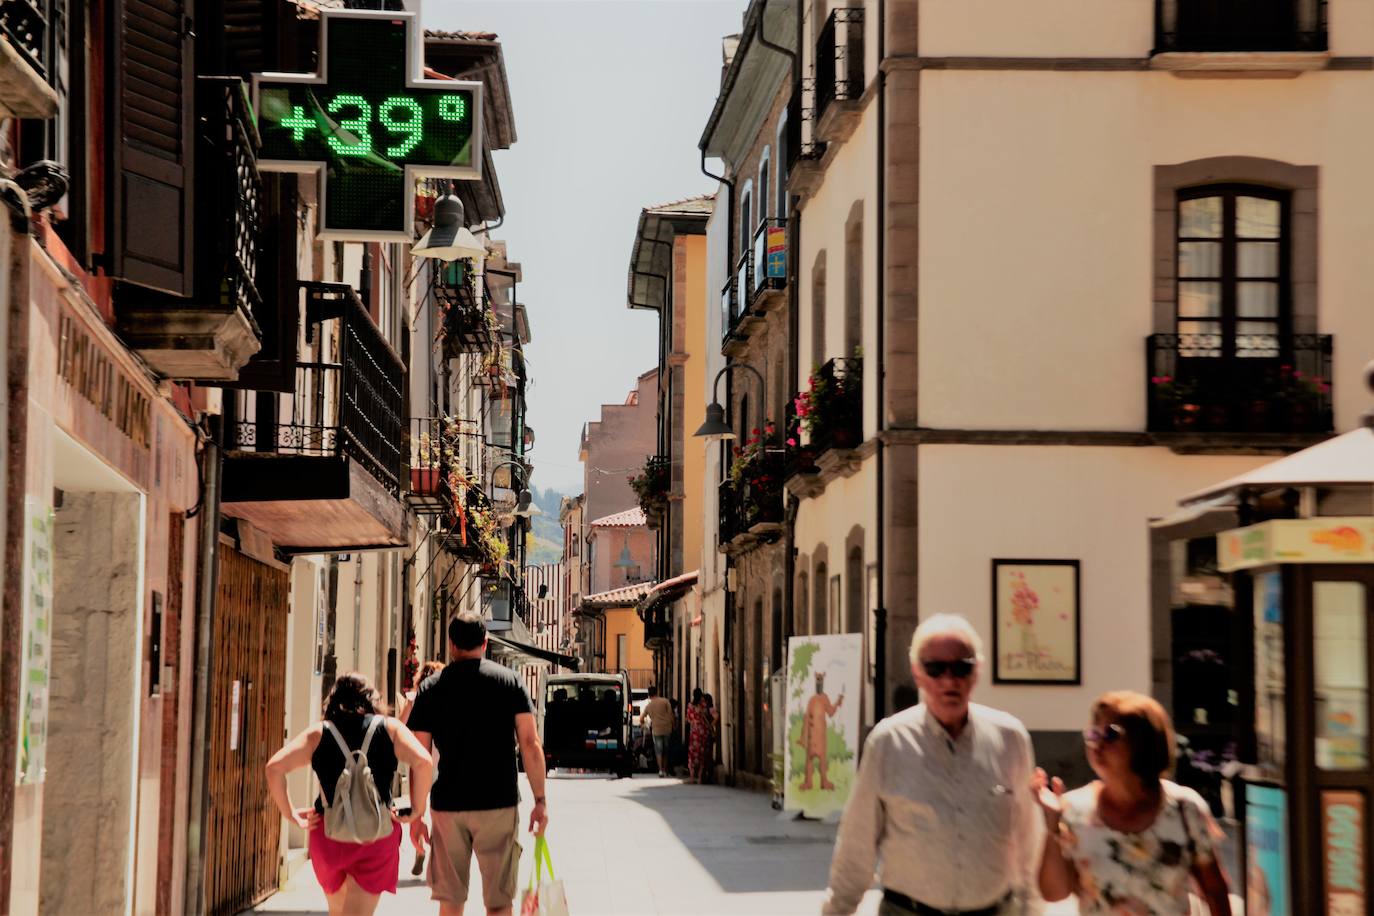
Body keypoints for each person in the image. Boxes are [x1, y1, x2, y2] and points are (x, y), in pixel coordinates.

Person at [824, 613, 1042, 915]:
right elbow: (857, 842)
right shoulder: (888, 742)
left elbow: (1028, 839)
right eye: (936, 668)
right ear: (917, 673)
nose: (949, 680)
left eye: (961, 668)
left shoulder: (1010, 739)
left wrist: (1033, 909)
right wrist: (838, 909)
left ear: (977, 671)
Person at [1033, 691, 1232, 914]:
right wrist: (1052, 823)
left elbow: (1215, 890)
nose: (1097, 744)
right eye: (1092, 734)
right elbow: (1054, 893)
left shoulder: (1184, 808)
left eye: (1110, 734)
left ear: (1143, 741)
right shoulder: (1073, 809)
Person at [406, 613, 548, 916]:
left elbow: (419, 756)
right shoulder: (510, 682)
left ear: (451, 645)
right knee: (499, 903)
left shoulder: (431, 688)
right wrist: (540, 800)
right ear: (485, 643)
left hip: (448, 806)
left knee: (451, 901)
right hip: (499, 802)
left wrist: (417, 813)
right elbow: (530, 744)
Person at [265, 673, 433, 916]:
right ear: (372, 699)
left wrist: (290, 814)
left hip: (328, 833)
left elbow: (274, 768)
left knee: (338, 911)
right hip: (376, 835)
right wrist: (417, 809)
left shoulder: (319, 733)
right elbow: (424, 762)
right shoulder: (390, 728)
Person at [399, 660, 445, 876]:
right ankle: (435, 845)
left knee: (419, 806)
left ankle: (419, 847)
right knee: (439, 805)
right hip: (440, 757)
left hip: (418, 756)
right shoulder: (444, 697)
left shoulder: (414, 698)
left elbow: (399, 725)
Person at [799, 671, 844, 791]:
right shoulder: (812, 700)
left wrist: (837, 703)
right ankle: (808, 782)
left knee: (822, 760)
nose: (819, 683)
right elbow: (806, 716)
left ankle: (824, 782)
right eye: (817, 680)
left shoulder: (824, 698)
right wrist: (803, 736)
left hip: (820, 736)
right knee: (809, 760)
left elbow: (830, 712)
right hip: (812, 736)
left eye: (820, 680)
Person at [640, 684, 675, 778]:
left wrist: (643, 723)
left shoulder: (649, 705)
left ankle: (660, 770)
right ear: (657, 692)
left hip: (656, 729)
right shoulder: (665, 701)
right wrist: (673, 726)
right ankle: (664, 768)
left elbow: (641, 718)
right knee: (666, 750)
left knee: (658, 750)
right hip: (667, 728)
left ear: (649, 695)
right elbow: (671, 714)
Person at [686, 689, 708, 783]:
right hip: (703, 730)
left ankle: (691, 776)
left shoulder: (690, 705)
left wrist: (693, 722)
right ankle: (699, 778)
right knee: (701, 753)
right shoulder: (703, 705)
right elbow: (706, 715)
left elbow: (688, 718)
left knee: (692, 753)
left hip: (694, 730)